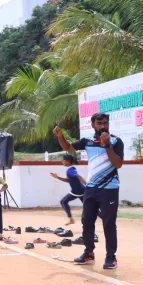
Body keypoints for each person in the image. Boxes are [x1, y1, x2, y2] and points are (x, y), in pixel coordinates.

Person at [54, 115, 124, 269]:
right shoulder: (87, 141)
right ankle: (89, 254)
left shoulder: (116, 141)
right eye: (99, 123)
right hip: (91, 188)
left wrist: (107, 146)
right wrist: (60, 136)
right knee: (86, 221)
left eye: (105, 123)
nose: (103, 126)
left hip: (110, 189)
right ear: (93, 125)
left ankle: (111, 257)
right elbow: (68, 147)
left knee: (109, 223)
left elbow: (118, 164)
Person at [50, 153, 87, 225]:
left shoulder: (70, 170)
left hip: (77, 191)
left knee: (63, 201)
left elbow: (79, 177)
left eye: (63, 160)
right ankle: (104, 217)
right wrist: (57, 177)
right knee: (88, 206)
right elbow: (68, 180)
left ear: (68, 161)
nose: (62, 162)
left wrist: (88, 186)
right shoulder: (72, 168)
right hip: (82, 190)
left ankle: (71, 219)